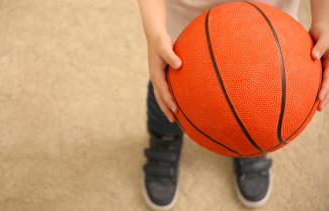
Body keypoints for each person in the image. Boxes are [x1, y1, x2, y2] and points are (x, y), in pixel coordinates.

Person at [137, 0, 329, 210]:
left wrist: (324, 17)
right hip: (187, 38)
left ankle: (249, 144)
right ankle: (164, 140)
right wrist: (154, 31)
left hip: (274, 36)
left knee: (263, 105)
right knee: (168, 94)